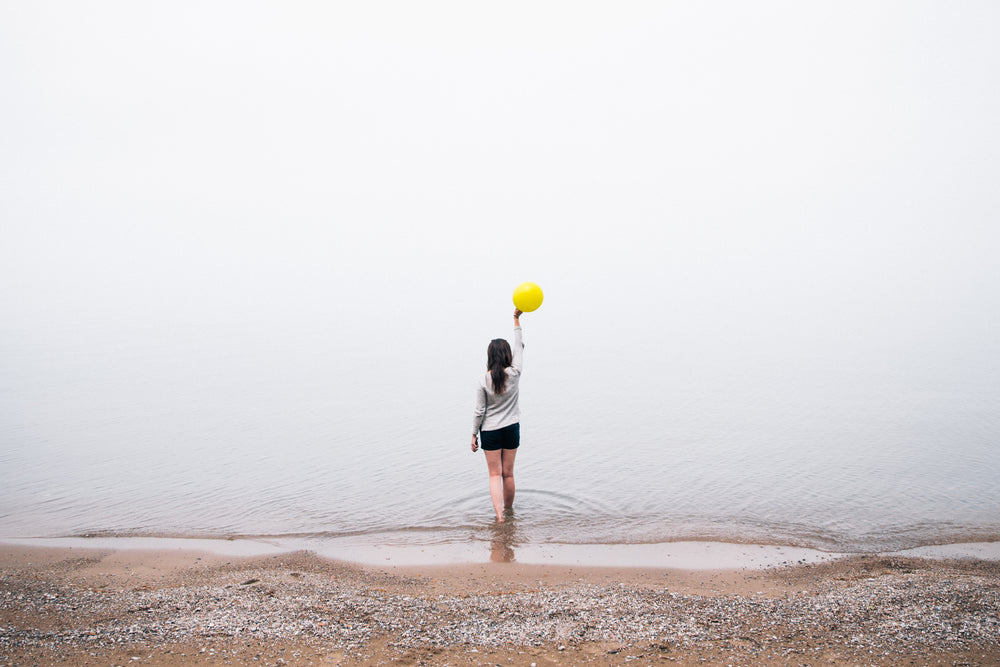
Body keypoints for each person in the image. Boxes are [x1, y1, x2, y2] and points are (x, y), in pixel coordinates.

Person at [471, 309, 525, 523]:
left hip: (490, 431)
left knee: (494, 475)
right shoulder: (515, 373)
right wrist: (516, 319)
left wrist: (474, 434)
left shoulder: (483, 380)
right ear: (507, 355)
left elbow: (479, 411)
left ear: (489, 356)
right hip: (511, 427)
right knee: (508, 474)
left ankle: (500, 517)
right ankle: (510, 512)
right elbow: (519, 346)